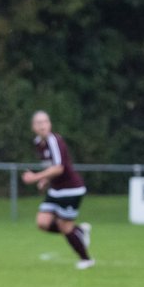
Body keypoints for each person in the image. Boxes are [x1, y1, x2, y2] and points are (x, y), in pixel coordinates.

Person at [21, 111, 93, 269]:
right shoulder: (38, 143)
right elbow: (50, 166)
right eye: (38, 123)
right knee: (42, 223)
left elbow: (59, 168)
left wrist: (36, 177)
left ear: (50, 124)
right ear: (33, 127)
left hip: (71, 190)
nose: (42, 125)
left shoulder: (54, 141)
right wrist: (46, 179)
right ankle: (79, 231)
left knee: (65, 227)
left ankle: (86, 259)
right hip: (56, 190)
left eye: (45, 121)